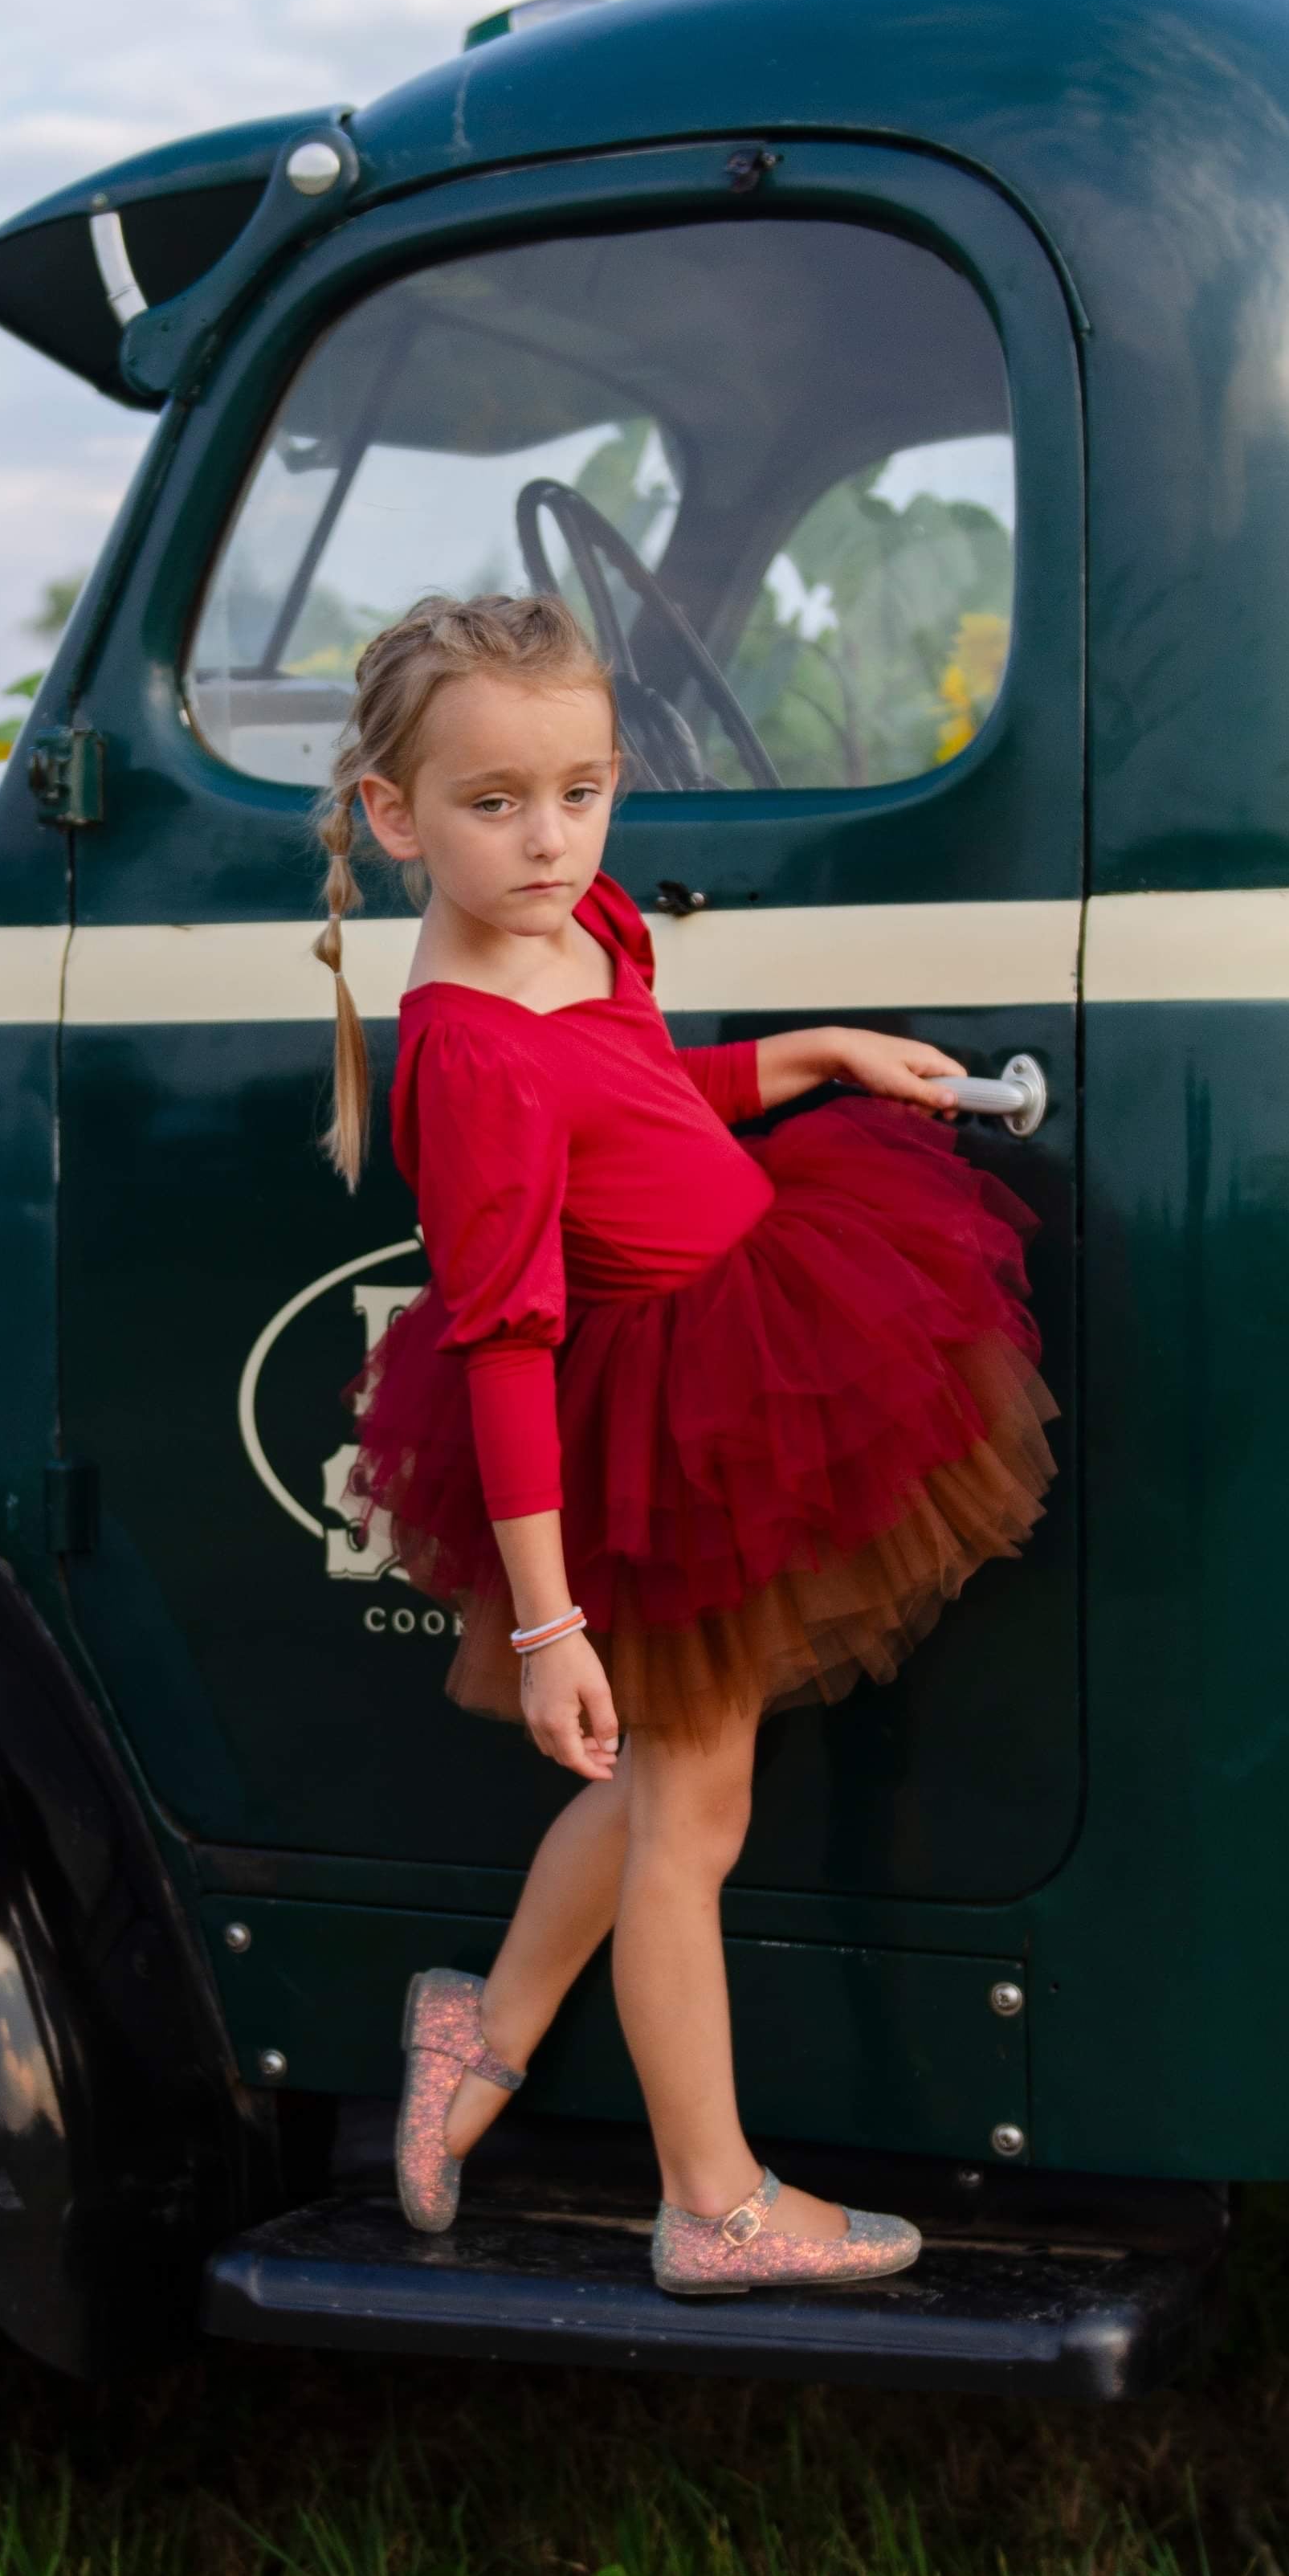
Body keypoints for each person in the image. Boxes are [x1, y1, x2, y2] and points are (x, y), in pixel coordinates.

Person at [312, 594, 1054, 2296]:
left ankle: (482, 2030)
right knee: (689, 1819)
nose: (549, 839)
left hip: (751, 1313)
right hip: (662, 1420)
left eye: (581, 791)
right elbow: (505, 1339)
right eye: (495, 803)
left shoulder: (579, 923)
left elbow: (635, 1097)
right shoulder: (470, 1050)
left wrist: (801, 1058)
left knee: (662, 1780)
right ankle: (712, 2204)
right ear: (394, 815)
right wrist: (547, 1624)